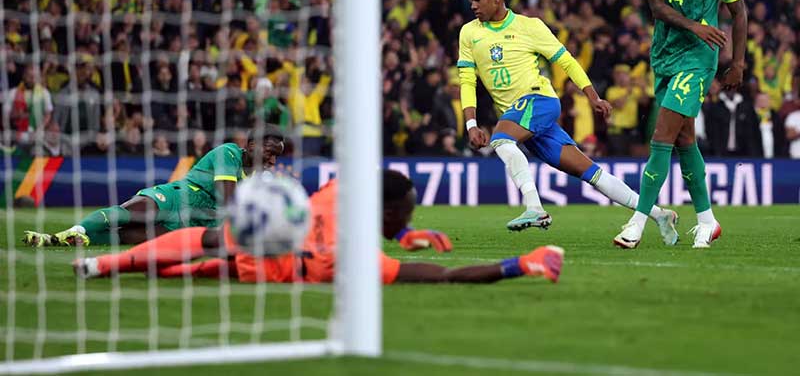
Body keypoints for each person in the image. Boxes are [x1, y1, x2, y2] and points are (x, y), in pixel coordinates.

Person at [457, 0, 678, 242]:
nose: (473, 5)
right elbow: (467, 80)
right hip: (522, 117)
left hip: (539, 100)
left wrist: (593, 96)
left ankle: (535, 208)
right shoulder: (469, 33)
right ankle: (658, 214)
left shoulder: (530, 26)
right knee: (589, 172)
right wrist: (471, 124)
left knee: (501, 140)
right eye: (471, 0)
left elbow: (566, 60)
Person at [73, 170, 565, 285]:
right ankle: (119, 265)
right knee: (208, 261)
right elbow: (441, 277)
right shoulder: (360, 261)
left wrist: (404, 233)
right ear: (386, 212)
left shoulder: (339, 190)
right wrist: (518, 264)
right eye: (405, 213)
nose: (407, 219)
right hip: (273, 269)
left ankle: (104, 265)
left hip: (268, 238)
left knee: (208, 250)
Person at [614, 0, 748, 249]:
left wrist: (737, 62)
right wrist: (697, 25)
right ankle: (707, 220)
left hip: (698, 60)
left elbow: (739, 13)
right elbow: (657, 8)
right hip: (665, 55)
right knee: (685, 139)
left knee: (662, 136)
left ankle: (637, 222)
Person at [23, 125, 286, 247]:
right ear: (253, 145)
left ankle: (69, 240)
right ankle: (65, 233)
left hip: (192, 223)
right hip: (177, 198)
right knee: (126, 214)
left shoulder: (257, 180)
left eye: (276, 156)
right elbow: (228, 200)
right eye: (270, 152)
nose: (273, 161)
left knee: (125, 238)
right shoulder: (229, 153)